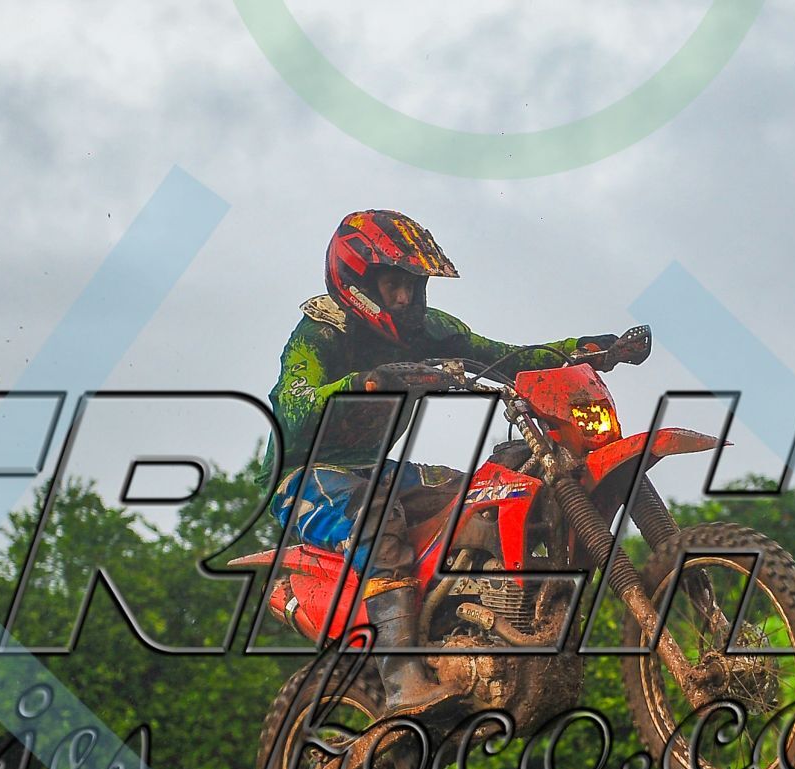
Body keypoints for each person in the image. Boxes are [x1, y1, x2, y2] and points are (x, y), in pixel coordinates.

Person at [270, 209, 645, 714]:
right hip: (303, 477)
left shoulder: (427, 330)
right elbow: (292, 405)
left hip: (376, 471)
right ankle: (402, 682)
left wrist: (582, 350)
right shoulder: (322, 332)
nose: (405, 297)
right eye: (393, 284)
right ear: (358, 281)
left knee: (482, 496)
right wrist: (364, 382)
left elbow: (506, 356)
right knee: (379, 528)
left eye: (413, 285)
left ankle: (472, 625)